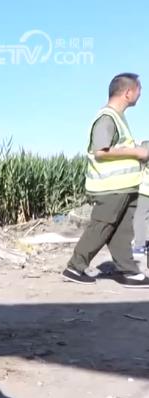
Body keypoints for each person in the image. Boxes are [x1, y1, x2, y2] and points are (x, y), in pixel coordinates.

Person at [63, 72, 149, 288]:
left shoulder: (119, 118)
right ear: (128, 92)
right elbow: (100, 151)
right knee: (102, 226)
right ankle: (75, 265)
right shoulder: (107, 118)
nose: (141, 93)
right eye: (139, 89)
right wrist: (137, 152)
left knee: (122, 229)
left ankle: (127, 270)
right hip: (110, 187)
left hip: (125, 187)